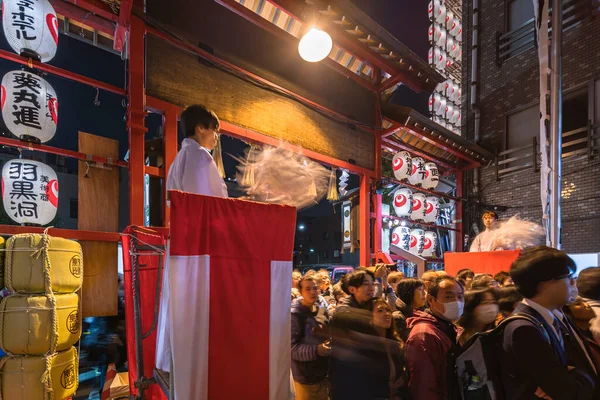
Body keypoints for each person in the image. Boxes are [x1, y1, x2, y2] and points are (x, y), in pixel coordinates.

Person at [156, 105, 228, 375]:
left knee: (179, 306)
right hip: (199, 246)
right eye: (215, 130)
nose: (216, 137)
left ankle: (178, 364)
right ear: (201, 128)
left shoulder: (180, 159)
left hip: (182, 245)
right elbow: (212, 209)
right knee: (197, 310)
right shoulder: (199, 158)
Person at [502, 246, 597, 399]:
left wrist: (572, 374)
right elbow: (568, 392)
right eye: (569, 276)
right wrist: (579, 376)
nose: (574, 283)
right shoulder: (524, 329)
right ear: (546, 283)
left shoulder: (555, 315)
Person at [405, 276, 464, 400]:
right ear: (431, 300)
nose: (456, 302)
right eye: (448, 297)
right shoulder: (423, 335)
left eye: (460, 296)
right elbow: (423, 387)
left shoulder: (450, 327)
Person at [291, 276, 331, 400]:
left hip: (322, 376)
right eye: (308, 289)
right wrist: (316, 350)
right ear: (300, 292)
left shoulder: (319, 308)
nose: (313, 292)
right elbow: (292, 349)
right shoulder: (295, 314)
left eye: (315, 288)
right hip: (305, 379)